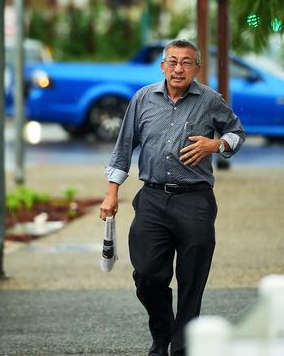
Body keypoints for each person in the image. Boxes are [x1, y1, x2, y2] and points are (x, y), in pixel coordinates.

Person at [99, 39, 245, 356]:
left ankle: (180, 348)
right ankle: (162, 330)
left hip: (196, 201)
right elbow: (123, 148)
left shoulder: (209, 100)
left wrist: (215, 145)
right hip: (151, 198)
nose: (179, 68)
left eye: (186, 62)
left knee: (191, 282)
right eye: (173, 61)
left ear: (196, 68)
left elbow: (237, 132)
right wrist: (112, 193)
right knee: (148, 275)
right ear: (163, 65)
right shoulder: (143, 99)